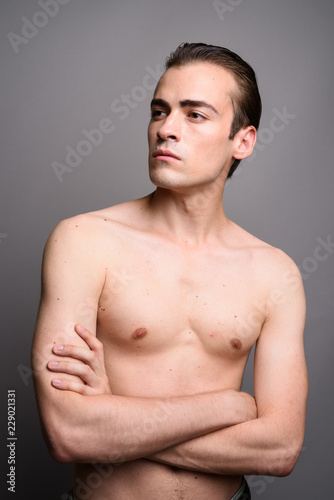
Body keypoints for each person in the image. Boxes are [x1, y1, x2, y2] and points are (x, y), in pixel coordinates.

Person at [32, 43, 308, 500]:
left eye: (194, 115)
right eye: (160, 111)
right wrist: (231, 406)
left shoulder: (275, 273)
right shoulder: (84, 241)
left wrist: (117, 424)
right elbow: (69, 433)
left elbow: (279, 448)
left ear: (243, 140)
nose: (166, 129)